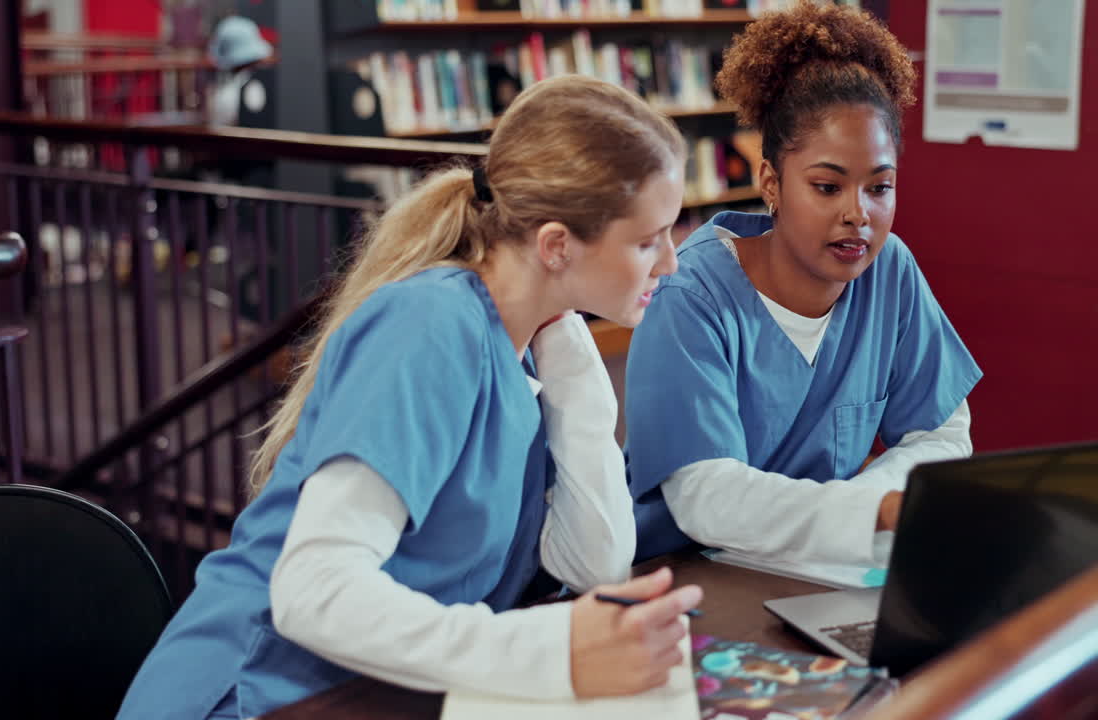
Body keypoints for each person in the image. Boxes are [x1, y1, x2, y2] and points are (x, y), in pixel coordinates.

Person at [117, 75, 700, 720]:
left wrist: (577, 373)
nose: (669, 263)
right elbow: (314, 591)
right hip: (257, 696)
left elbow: (597, 566)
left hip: (377, 694)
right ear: (557, 245)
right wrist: (545, 650)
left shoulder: (535, 348)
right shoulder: (430, 327)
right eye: (649, 240)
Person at [624, 2, 983, 565]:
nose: (858, 215)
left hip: (816, 568)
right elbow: (704, 499)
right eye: (827, 186)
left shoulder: (889, 269)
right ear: (771, 182)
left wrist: (865, 506)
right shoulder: (690, 294)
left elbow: (941, 436)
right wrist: (871, 513)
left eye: (880, 187)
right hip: (686, 577)